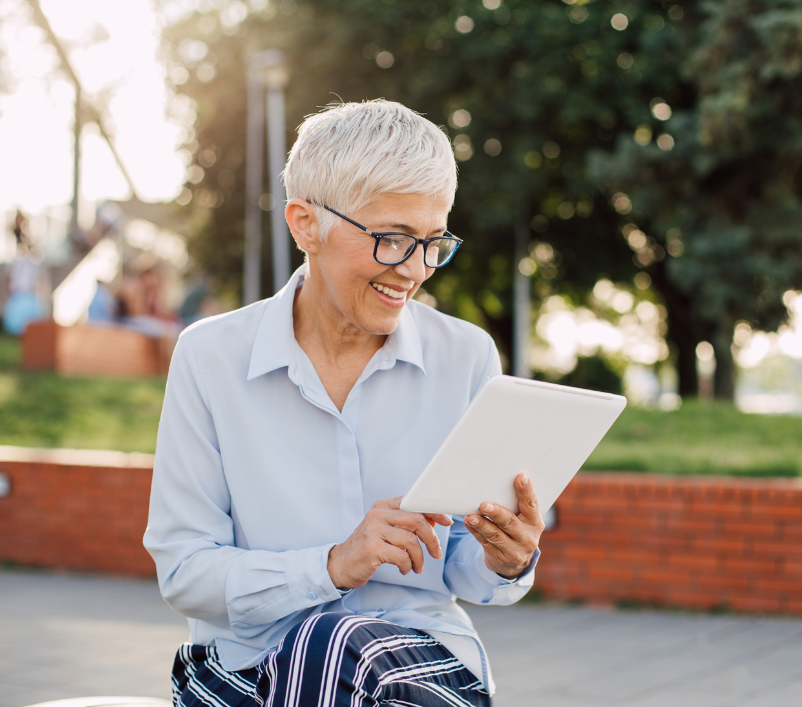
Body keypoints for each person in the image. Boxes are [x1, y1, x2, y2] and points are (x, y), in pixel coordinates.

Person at [144, 100, 545, 707]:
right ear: (306, 223)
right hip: (247, 672)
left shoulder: (466, 357)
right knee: (328, 641)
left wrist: (506, 560)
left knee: (344, 645)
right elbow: (185, 572)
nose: (414, 270)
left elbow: (467, 569)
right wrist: (332, 566)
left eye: (434, 242)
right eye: (392, 239)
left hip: (412, 671)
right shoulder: (210, 357)